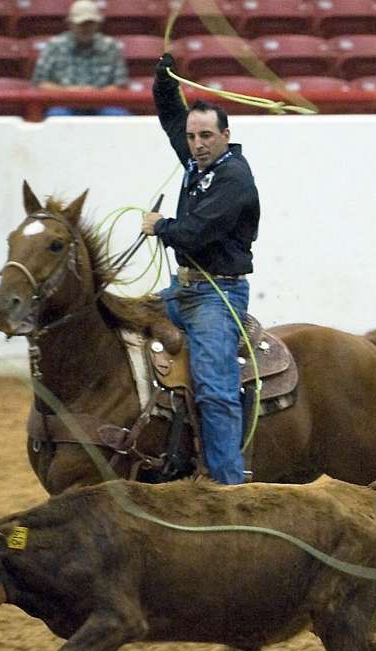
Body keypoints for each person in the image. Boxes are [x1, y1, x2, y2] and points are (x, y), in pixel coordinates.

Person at [140, 52, 259, 486]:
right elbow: (171, 115)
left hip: (218, 295)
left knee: (215, 390)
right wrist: (163, 81)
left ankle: (228, 487)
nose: (197, 143)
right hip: (185, 289)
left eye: (206, 135)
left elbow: (195, 234)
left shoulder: (234, 180)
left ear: (225, 135)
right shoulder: (198, 161)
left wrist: (160, 226)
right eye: (193, 137)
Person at [30, 0, 129, 116]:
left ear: (97, 24)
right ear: (70, 23)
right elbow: (39, 83)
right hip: (64, 103)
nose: (86, 28)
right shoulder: (54, 46)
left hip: (102, 103)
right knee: (57, 116)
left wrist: (96, 94)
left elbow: (121, 85)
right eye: (81, 23)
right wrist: (69, 93)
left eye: (90, 23)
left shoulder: (110, 46)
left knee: (119, 116)